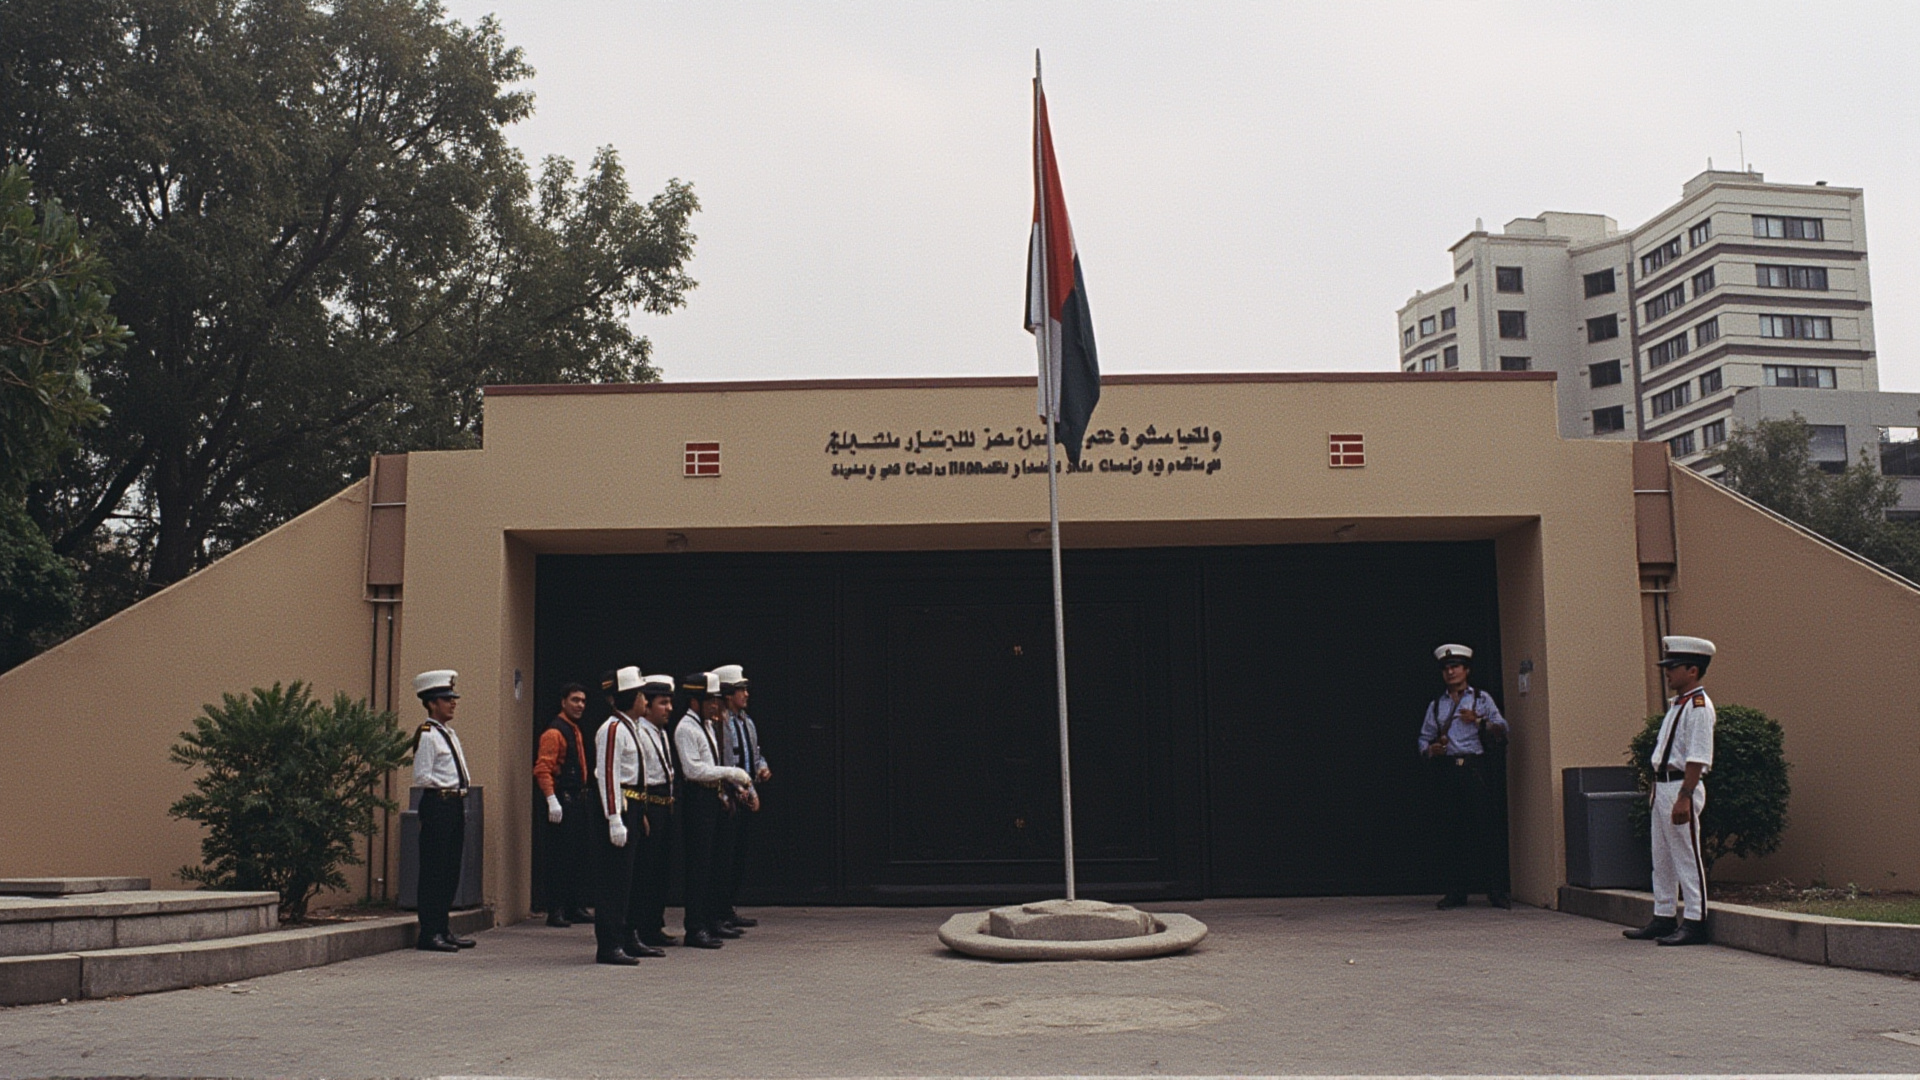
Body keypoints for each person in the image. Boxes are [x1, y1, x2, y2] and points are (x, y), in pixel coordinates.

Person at [1624, 635, 1718, 947]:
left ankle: (1695, 920)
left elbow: (1697, 756)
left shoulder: (1699, 707)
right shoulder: (1679, 705)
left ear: (1692, 670)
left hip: (1681, 787)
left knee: (1686, 855)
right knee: (1662, 857)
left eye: (1673, 666)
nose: (1667, 672)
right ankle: (1663, 915)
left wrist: (1685, 797)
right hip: (1663, 786)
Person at [1417, 644, 1510, 910]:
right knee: (1452, 831)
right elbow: (1424, 737)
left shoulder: (1480, 699)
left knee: (1486, 830)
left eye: (1455, 667)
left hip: (1475, 768)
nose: (1450, 672)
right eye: (1446, 668)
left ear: (1466, 670)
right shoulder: (1437, 705)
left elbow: (1503, 729)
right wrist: (1430, 750)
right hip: (1448, 769)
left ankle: (1496, 890)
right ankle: (1456, 892)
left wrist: (1479, 722)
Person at [675, 671, 752, 949]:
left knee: (711, 864)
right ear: (695, 701)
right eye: (710, 700)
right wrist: (732, 772)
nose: (714, 705)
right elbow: (694, 769)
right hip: (697, 798)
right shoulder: (686, 728)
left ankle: (708, 920)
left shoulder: (706, 725)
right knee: (698, 866)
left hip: (711, 796)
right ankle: (695, 927)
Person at [411, 669, 476, 953]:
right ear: (432, 703)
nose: (452, 703)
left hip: (454, 803)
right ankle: (429, 931)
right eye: (446, 699)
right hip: (438, 802)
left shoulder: (447, 733)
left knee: (450, 869)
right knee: (434, 869)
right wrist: (443, 795)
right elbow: (423, 776)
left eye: (452, 698)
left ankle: (443, 926)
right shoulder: (428, 735)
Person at [590, 666, 649, 965]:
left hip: (633, 805)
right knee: (614, 880)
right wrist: (614, 817)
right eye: (641, 694)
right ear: (629, 697)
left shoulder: (631, 727)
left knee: (629, 878)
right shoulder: (613, 729)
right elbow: (609, 776)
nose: (645, 700)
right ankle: (609, 944)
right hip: (619, 805)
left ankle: (627, 935)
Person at [622, 674, 679, 956]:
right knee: (645, 872)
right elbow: (640, 776)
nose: (668, 708)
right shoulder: (640, 732)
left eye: (669, 702)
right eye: (662, 703)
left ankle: (653, 924)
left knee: (660, 871)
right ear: (647, 706)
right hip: (649, 804)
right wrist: (643, 810)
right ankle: (639, 927)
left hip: (664, 803)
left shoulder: (661, 732)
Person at [713, 663, 769, 930]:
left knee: (738, 856)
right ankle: (718, 910)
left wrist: (761, 767)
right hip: (731, 797)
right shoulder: (721, 724)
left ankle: (729, 907)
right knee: (723, 857)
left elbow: (753, 754)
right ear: (727, 694)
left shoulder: (747, 721)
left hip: (746, 793)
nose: (746, 694)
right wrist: (742, 792)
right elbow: (725, 761)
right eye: (741, 690)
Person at [533, 682, 595, 927]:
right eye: (575, 700)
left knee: (578, 856)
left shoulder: (574, 730)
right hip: (563, 800)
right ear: (563, 702)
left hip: (578, 800)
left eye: (582, 701)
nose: (580, 705)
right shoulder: (554, 733)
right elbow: (542, 768)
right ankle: (556, 909)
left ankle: (575, 906)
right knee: (559, 857)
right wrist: (551, 799)